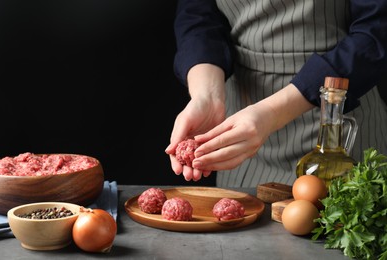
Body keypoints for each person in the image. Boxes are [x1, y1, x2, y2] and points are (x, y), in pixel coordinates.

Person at [165, 0, 387, 188]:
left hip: (335, 125)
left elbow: (375, 33)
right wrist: (207, 95)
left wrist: (272, 112)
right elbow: (198, 16)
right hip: (238, 135)